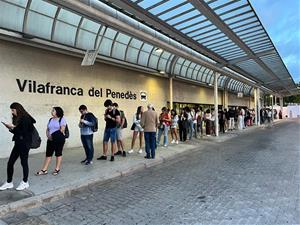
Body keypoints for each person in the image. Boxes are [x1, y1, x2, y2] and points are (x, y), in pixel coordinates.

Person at [0, 103, 36, 191]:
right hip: (18, 143)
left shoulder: (26, 118)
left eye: (13, 110)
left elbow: (24, 132)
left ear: (18, 109)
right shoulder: (17, 118)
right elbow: (17, 132)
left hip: (25, 143)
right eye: (11, 110)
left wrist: (13, 128)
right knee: (10, 162)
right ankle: (9, 182)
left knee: (24, 162)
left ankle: (25, 182)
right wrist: (10, 128)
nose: (12, 112)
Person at [36, 107, 66, 176]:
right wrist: (48, 135)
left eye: (53, 111)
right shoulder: (51, 119)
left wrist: (52, 136)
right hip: (50, 139)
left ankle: (57, 169)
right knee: (48, 154)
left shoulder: (62, 119)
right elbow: (48, 129)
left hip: (58, 139)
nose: (51, 112)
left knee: (58, 153)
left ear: (57, 112)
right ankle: (44, 170)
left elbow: (62, 129)